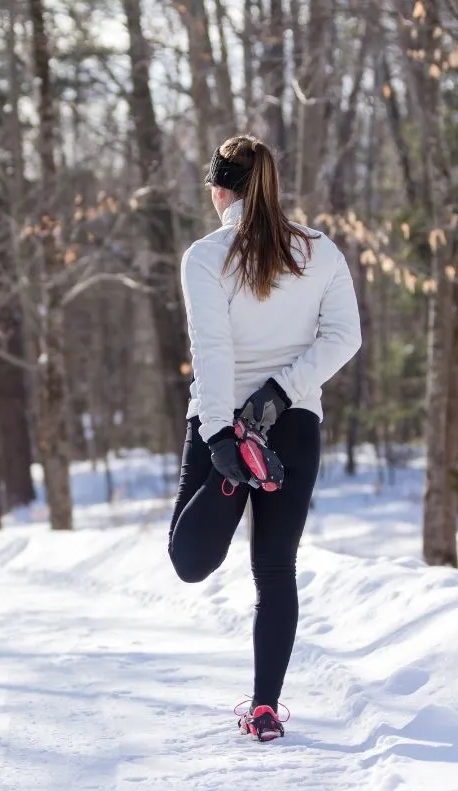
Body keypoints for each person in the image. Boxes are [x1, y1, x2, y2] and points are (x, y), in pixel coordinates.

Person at [168, 134, 362, 742]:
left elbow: (214, 350)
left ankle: (233, 474)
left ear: (219, 189)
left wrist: (225, 433)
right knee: (275, 569)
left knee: (188, 561)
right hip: (294, 425)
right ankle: (265, 708)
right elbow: (343, 339)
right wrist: (281, 394)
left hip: (224, 423)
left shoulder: (206, 256)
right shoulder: (320, 252)